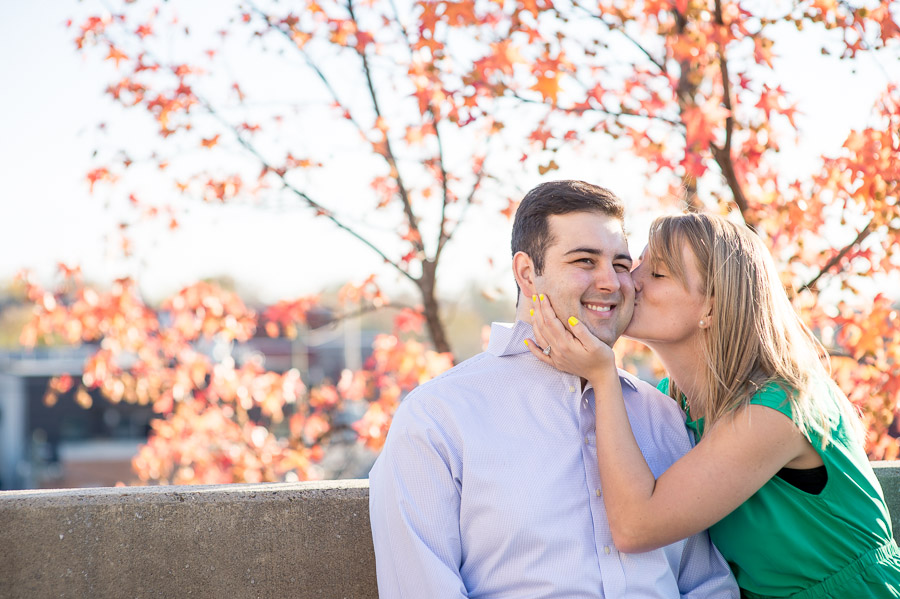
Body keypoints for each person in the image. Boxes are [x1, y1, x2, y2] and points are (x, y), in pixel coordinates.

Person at [368, 181, 738, 598]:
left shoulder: (663, 413)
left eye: (620, 264)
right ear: (527, 273)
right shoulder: (438, 418)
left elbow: (708, 584)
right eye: (584, 260)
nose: (611, 283)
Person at [527, 212, 900, 598]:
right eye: (636, 265)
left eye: (656, 274)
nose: (628, 282)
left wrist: (604, 376)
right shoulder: (672, 402)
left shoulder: (777, 406)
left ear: (710, 307)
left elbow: (635, 527)